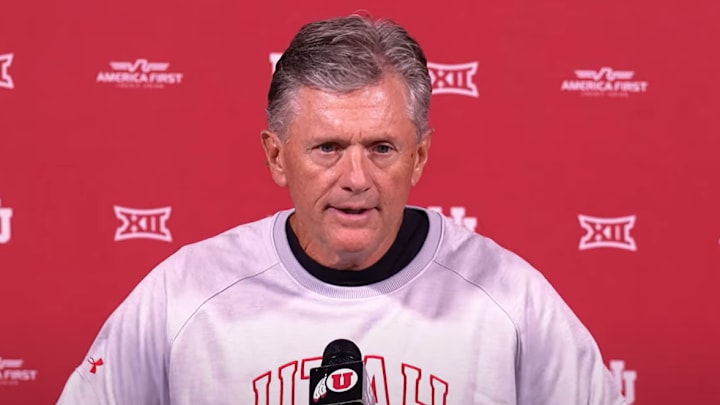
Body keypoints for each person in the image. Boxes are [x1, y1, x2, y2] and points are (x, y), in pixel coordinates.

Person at [57, 14, 627, 405]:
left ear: (419, 157)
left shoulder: (510, 300)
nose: (356, 179)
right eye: (327, 148)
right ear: (277, 157)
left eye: (382, 148)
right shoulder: (182, 296)